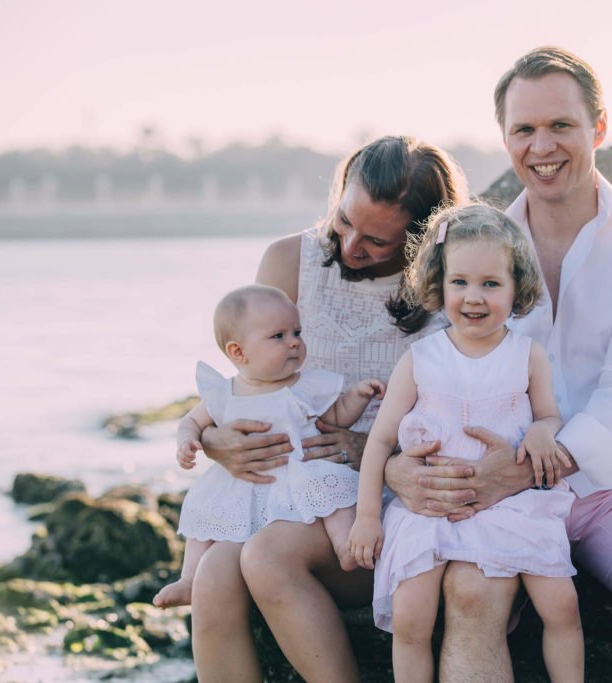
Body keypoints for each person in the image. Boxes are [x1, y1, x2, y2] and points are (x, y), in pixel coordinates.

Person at [384, 47, 612, 681]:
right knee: (470, 598)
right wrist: (396, 468)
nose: (541, 145)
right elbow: (433, 376)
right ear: (505, 138)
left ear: (599, 128)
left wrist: (524, 473)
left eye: (561, 125)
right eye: (524, 129)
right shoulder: (477, 245)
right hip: (484, 479)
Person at [192, 136, 469, 682]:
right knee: (213, 574)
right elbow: (247, 374)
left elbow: (464, 415)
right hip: (289, 490)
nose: (348, 247)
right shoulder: (288, 260)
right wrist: (214, 441)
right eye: (344, 221)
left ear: (420, 241)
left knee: (267, 557)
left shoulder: (451, 288)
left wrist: (369, 449)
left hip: (383, 506)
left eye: (375, 241)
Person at [349, 204, 583, 683]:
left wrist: (542, 431)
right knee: (411, 617)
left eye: (491, 284)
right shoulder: (420, 359)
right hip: (428, 510)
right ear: (438, 283)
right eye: (460, 282)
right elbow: (379, 441)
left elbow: (549, 414)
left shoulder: (527, 355)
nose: (473, 297)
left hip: (508, 506)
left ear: (517, 288)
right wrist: (368, 516)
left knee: (562, 606)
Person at [151, 285, 384, 609]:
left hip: (303, 473)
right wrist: (188, 442)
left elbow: (336, 417)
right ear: (238, 353)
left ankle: (345, 545)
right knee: (205, 517)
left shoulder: (305, 386)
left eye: (297, 332)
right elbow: (191, 421)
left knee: (336, 493)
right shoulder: (225, 393)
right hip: (248, 480)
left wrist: (358, 396)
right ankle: (190, 579)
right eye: (278, 336)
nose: (294, 342)